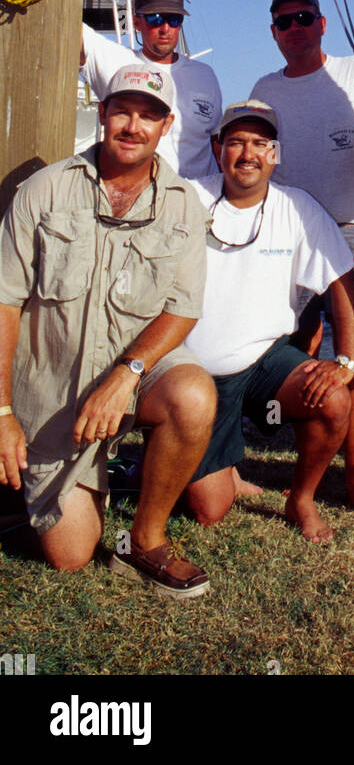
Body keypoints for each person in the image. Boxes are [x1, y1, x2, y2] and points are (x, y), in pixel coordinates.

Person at [0, 64, 216, 598]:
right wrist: (2, 412)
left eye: (149, 115)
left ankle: (145, 538)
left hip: (135, 375)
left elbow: (183, 309)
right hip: (53, 392)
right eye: (122, 110)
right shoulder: (43, 191)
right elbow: (3, 303)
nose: (133, 126)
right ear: (102, 113)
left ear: (166, 126)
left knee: (193, 395)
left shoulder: (184, 202)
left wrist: (127, 373)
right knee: (71, 556)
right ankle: (70, 486)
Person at [251, 0, 354, 516]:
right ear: (274, 33)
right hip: (288, 232)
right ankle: (307, 470)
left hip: (352, 227)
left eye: (304, 17)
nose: (295, 27)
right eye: (284, 21)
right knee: (296, 348)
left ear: (321, 25)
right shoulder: (264, 88)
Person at [183, 101, 354, 544]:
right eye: (236, 142)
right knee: (209, 511)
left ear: (276, 154)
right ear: (216, 147)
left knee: (334, 401)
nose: (248, 154)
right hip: (194, 378)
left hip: (265, 362)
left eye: (261, 143)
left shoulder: (298, 208)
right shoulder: (184, 198)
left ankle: (301, 498)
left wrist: (346, 358)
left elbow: (341, 280)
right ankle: (213, 462)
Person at [80, 0, 221, 177]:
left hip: (195, 206)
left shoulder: (205, 76)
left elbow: (216, 147)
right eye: (155, 19)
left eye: (173, 19)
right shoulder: (112, 60)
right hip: (133, 203)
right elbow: (61, 10)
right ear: (137, 23)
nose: (165, 27)